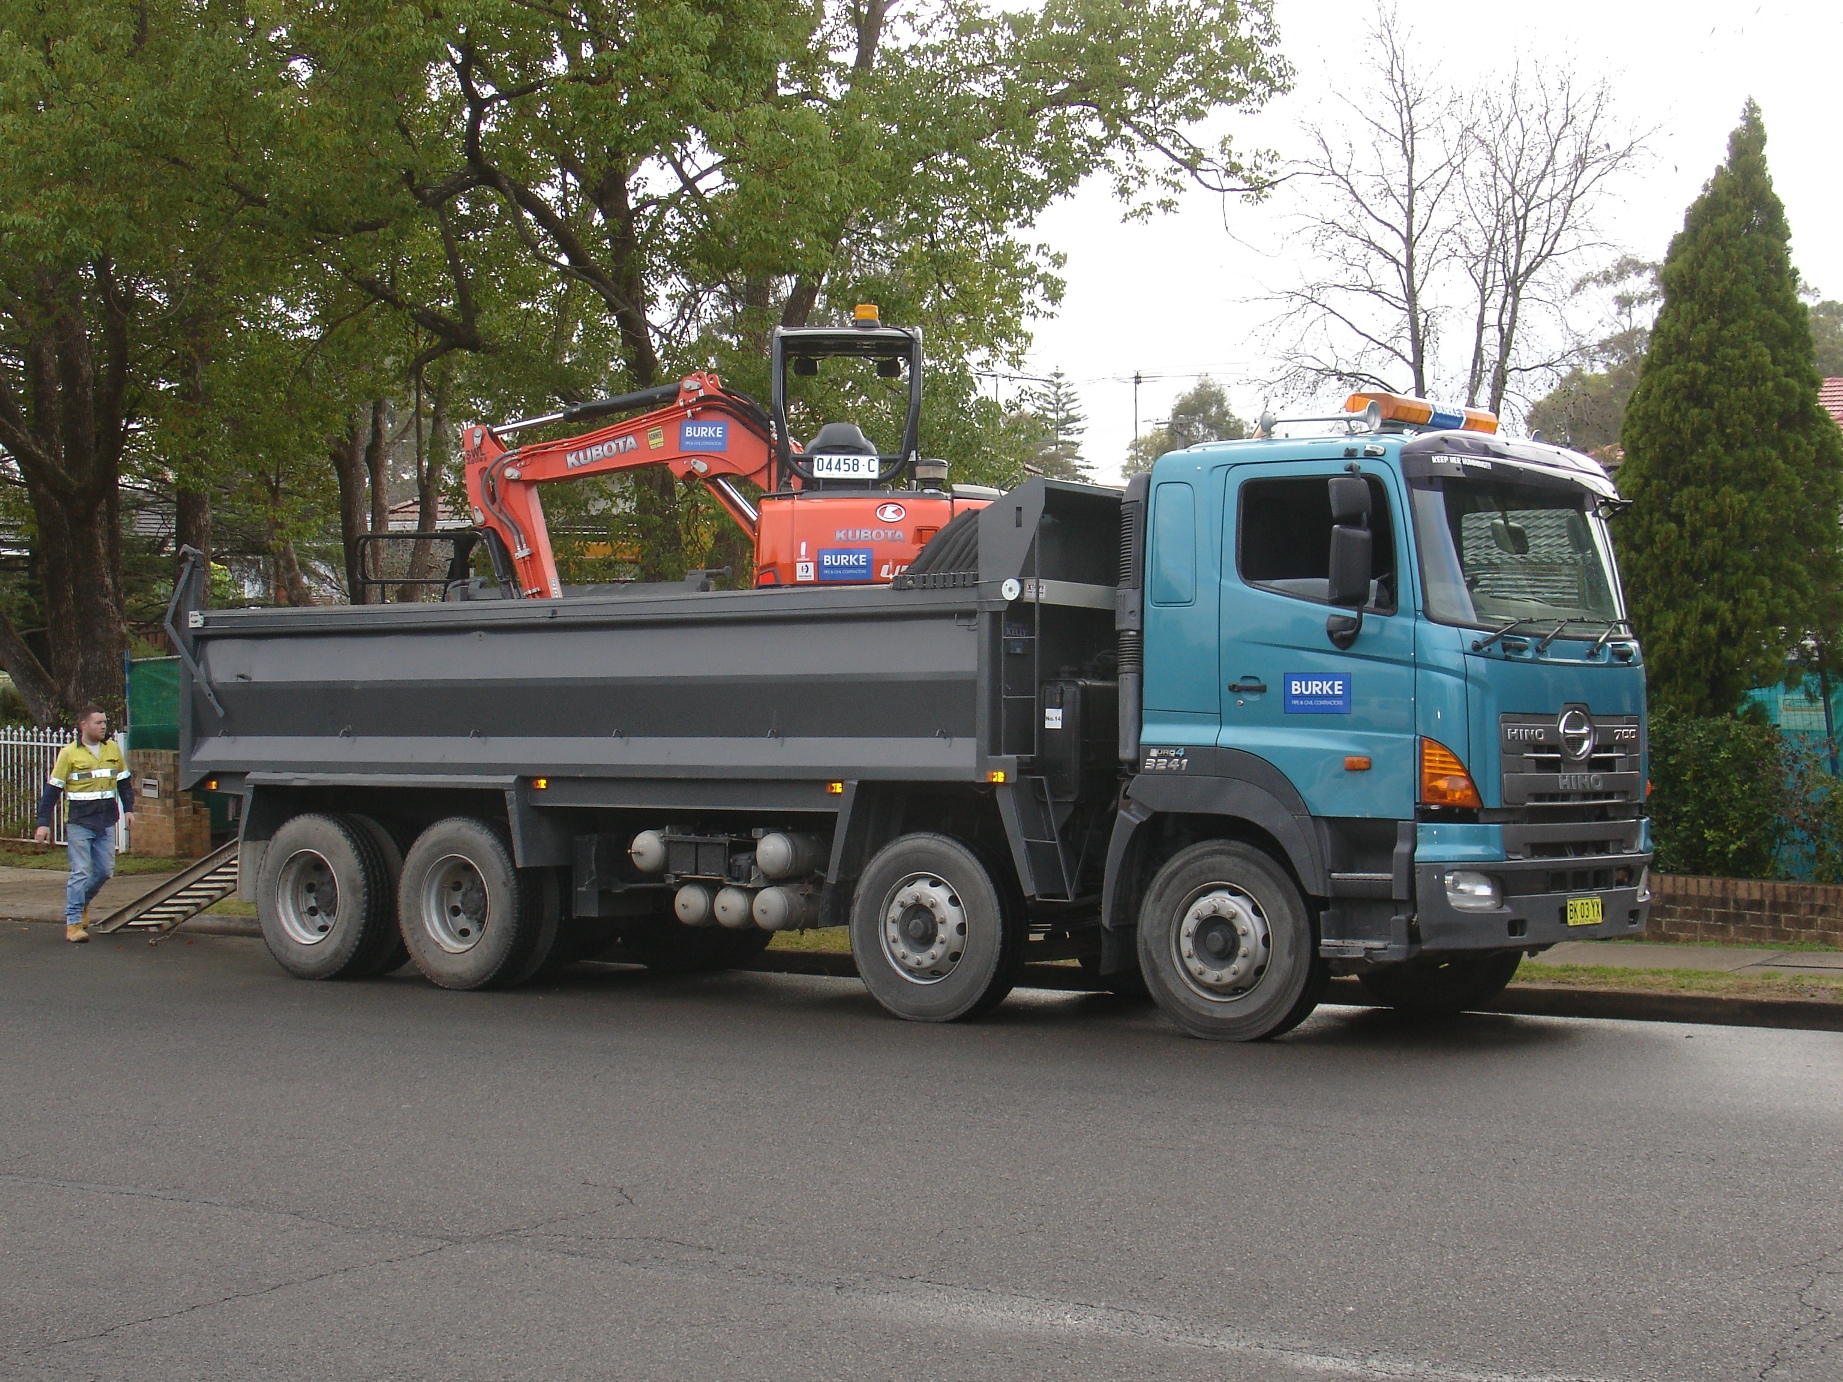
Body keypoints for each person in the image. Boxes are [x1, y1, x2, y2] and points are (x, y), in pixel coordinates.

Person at [34, 705, 136, 943]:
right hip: (80, 821)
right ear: (84, 726)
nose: (103, 726)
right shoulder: (69, 754)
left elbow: (123, 782)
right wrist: (43, 823)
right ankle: (73, 924)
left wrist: (129, 809)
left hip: (106, 820)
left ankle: (82, 903)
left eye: (104, 722)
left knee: (104, 871)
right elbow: (52, 790)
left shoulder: (112, 749)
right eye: (98, 722)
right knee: (80, 872)